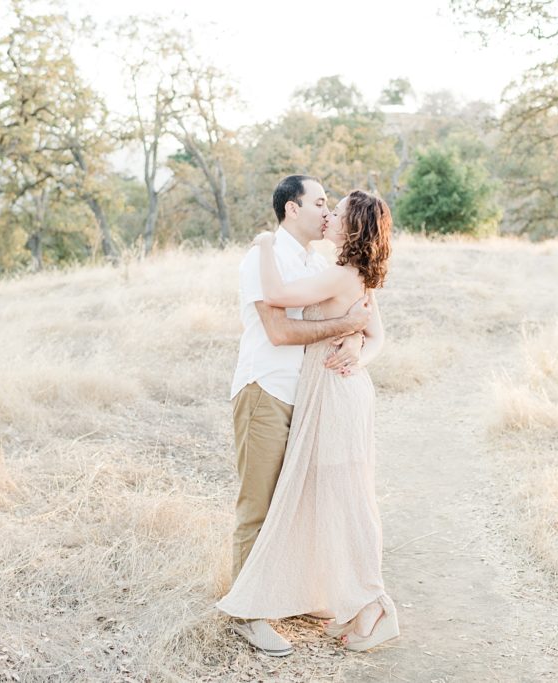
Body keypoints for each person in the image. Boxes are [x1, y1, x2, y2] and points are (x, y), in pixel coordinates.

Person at [218, 188, 398, 654]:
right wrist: (348, 331)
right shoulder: (271, 259)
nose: (327, 213)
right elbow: (278, 330)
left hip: (323, 398)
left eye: (334, 209)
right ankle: (251, 611)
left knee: (331, 498)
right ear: (291, 209)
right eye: (321, 204)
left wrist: (359, 349)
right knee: (263, 504)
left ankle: (349, 599)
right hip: (270, 389)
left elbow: (374, 332)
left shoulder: (326, 268)